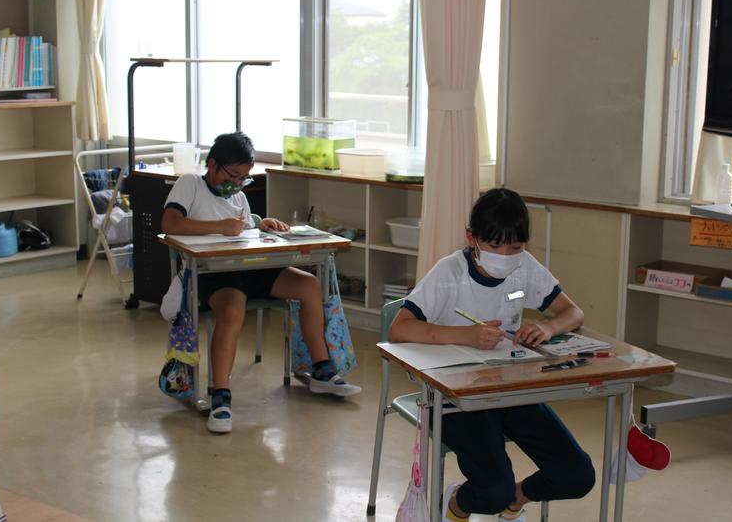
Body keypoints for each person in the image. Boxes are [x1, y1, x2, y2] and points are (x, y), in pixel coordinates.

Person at [388, 188, 594, 522]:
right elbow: (399, 329)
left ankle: (515, 498)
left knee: (577, 474)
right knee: (492, 489)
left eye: (516, 247)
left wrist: (547, 328)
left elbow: (574, 313)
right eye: (495, 246)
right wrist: (466, 336)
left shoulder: (524, 268)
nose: (506, 256)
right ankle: (456, 503)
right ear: (471, 237)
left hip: (512, 391)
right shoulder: (449, 274)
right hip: (455, 399)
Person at [162, 131, 361, 434]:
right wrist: (220, 227)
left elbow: (242, 228)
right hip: (212, 274)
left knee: (309, 285)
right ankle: (221, 396)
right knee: (232, 311)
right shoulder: (191, 184)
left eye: (244, 178)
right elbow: (170, 223)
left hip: (249, 268)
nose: (237, 183)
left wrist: (260, 224)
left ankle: (321, 370)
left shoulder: (238, 196)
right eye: (233, 175)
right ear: (212, 164)